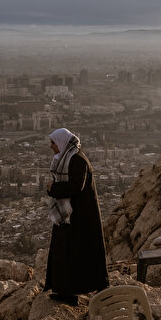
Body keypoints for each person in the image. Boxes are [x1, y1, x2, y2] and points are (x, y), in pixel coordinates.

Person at [44, 128, 109, 304]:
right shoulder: (69, 157)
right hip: (71, 215)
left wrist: (53, 189)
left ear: (62, 142)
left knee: (78, 253)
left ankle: (81, 290)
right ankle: (66, 291)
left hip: (79, 217)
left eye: (53, 143)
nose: (51, 147)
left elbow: (75, 187)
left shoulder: (77, 160)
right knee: (66, 252)